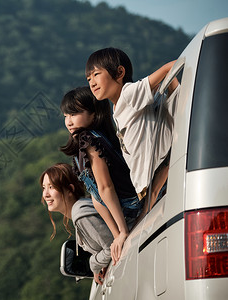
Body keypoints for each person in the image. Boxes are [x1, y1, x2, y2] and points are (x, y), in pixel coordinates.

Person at [85, 47, 180, 209]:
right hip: (145, 186)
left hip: (156, 181)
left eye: (96, 74)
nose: (92, 82)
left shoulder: (128, 93)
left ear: (119, 72)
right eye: (88, 79)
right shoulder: (118, 107)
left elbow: (168, 68)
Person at [59, 87, 141, 264]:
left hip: (130, 206)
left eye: (74, 114)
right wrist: (116, 235)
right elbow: (96, 195)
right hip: (125, 207)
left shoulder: (88, 140)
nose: (69, 121)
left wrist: (122, 232)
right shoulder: (86, 142)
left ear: (94, 114)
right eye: (66, 115)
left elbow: (106, 187)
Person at [40, 163, 112, 285]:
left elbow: (112, 246)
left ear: (70, 190)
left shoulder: (82, 214)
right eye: (44, 187)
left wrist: (93, 264)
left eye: (51, 187)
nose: (45, 194)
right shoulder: (83, 207)